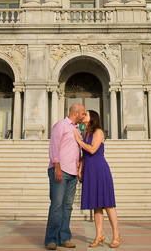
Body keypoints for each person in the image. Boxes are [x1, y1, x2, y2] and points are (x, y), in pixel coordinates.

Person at [73, 110, 121, 248]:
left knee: (108, 204)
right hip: (90, 169)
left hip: (100, 169)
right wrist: (80, 169)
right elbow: (84, 154)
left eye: (86, 114)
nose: (83, 116)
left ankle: (116, 234)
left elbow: (92, 149)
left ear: (92, 118)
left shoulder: (98, 132)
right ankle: (99, 234)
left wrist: (79, 141)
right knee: (96, 205)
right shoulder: (86, 133)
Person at [45, 102, 85, 250]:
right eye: (82, 113)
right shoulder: (60, 125)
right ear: (75, 113)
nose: (83, 115)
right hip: (60, 171)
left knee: (67, 207)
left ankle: (64, 237)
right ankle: (51, 239)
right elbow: (54, 146)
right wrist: (57, 168)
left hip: (73, 173)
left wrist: (79, 170)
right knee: (57, 205)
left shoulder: (77, 129)